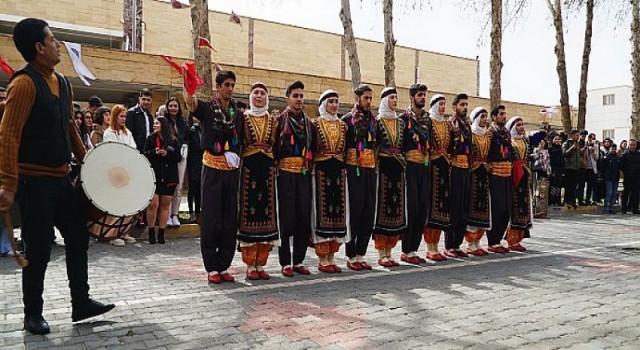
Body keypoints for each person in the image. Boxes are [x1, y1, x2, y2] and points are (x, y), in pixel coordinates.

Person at [0, 18, 114, 335]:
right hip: (33, 184)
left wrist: (88, 161)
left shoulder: (62, 82)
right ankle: (32, 314)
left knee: (78, 238)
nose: (58, 44)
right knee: (38, 250)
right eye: (52, 39)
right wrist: (8, 183)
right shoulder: (23, 84)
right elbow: (8, 136)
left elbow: (69, 128)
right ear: (39, 47)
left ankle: (81, 302)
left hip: (62, 180)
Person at [184, 70, 243, 284]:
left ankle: (224, 264)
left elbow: (241, 140)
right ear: (218, 87)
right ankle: (211, 267)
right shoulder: (208, 108)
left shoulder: (237, 113)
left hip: (231, 171)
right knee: (211, 218)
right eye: (226, 84)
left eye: (232, 85)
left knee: (229, 219)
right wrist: (188, 86)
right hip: (211, 169)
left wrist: (235, 156)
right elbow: (190, 103)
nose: (230, 88)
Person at [237, 82, 279, 280]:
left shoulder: (274, 120)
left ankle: (261, 263)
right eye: (256, 93)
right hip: (249, 170)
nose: (259, 96)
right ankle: (249, 265)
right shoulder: (243, 118)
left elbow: (277, 146)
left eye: (263, 93)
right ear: (250, 96)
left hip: (268, 171)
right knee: (249, 213)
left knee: (267, 213)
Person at [275, 81, 315, 277]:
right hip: (285, 174)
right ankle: (285, 262)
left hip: (303, 174)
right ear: (287, 98)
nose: (299, 99)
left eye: (301, 96)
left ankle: (298, 260)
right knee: (286, 218)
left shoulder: (309, 124)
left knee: (303, 218)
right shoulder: (279, 121)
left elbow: (313, 149)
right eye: (295, 96)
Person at [312, 89, 348, 273]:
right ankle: (322, 258)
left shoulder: (343, 126)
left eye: (336, 101)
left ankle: (332, 256)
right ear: (323, 104)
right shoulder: (315, 124)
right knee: (322, 212)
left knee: (338, 214)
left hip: (339, 171)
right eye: (330, 102)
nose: (334, 105)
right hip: (322, 170)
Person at [341, 84, 376, 271]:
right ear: (357, 99)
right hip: (353, 170)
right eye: (366, 98)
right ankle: (351, 254)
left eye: (371, 98)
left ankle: (361, 254)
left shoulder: (374, 121)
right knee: (354, 211)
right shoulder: (347, 121)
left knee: (368, 211)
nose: (369, 102)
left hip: (370, 169)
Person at [372, 87, 406, 267]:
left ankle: (390, 251)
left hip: (398, 168)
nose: (395, 101)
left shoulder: (401, 123)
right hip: (384, 167)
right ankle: (380, 251)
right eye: (392, 98)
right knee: (383, 208)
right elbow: (374, 144)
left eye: (396, 98)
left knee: (396, 209)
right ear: (385, 100)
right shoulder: (377, 121)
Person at [400, 84, 429, 265]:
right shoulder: (403, 119)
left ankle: (414, 249)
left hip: (424, 166)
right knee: (411, 207)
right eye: (420, 95)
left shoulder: (427, 121)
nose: (423, 98)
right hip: (409, 166)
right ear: (412, 97)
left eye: (424, 95)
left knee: (422, 207)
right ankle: (406, 249)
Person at [101, 104, 138, 246]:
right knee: (114, 204)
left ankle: (124, 231)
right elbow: (112, 151)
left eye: (125, 116)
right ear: (115, 117)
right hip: (114, 173)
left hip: (127, 172)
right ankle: (111, 234)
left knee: (126, 203)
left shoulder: (127, 133)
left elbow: (133, 149)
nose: (124, 119)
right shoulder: (109, 133)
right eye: (121, 116)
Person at [143, 116, 181, 245]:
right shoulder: (151, 139)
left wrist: (167, 154)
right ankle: (151, 232)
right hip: (154, 175)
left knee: (165, 205)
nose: (154, 125)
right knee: (153, 204)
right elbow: (144, 154)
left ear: (163, 125)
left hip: (169, 176)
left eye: (157, 123)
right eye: (153, 123)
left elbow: (178, 157)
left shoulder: (173, 140)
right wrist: (154, 152)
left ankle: (161, 233)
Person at [423, 94, 451, 262]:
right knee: (432, 207)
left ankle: (436, 245)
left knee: (442, 207)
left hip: (444, 167)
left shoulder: (447, 125)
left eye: (444, 104)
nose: (443, 107)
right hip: (432, 167)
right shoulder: (428, 122)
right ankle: (429, 246)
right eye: (440, 104)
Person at [444, 93, 471, 258]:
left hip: (466, 167)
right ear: (454, 107)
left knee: (464, 207)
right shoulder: (450, 124)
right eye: (462, 105)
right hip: (454, 167)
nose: (465, 108)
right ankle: (449, 244)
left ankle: (457, 244)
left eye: (466, 105)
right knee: (454, 207)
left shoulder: (467, 125)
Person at [486, 105, 513, 253]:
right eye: (501, 114)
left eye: (505, 113)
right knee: (497, 208)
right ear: (494, 117)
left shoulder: (507, 133)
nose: (504, 116)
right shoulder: (490, 133)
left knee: (506, 209)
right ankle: (492, 240)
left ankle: (498, 239)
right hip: (495, 174)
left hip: (506, 174)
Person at [465, 107, 491, 256]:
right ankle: (470, 241)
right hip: (473, 173)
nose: (484, 119)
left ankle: (478, 241)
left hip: (484, 172)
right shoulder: (470, 133)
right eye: (482, 116)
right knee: (473, 206)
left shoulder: (488, 135)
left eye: (486, 117)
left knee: (482, 207)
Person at [505, 116, 533, 251]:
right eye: (518, 125)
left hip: (524, 175)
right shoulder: (509, 142)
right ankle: (511, 238)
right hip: (513, 176)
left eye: (522, 124)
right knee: (515, 206)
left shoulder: (525, 141)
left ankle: (519, 237)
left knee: (524, 205)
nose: (522, 127)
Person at [165, 97, 189, 228]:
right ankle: (167, 215)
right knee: (169, 186)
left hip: (181, 156)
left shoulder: (183, 122)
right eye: (171, 106)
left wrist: (183, 147)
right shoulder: (164, 121)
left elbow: (186, 138)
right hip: (168, 156)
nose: (173, 108)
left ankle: (175, 214)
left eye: (175, 106)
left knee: (178, 187)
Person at [186, 113, 203, 224]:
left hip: (203, 162)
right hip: (193, 162)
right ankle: (191, 211)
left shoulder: (204, 130)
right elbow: (196, 146)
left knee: (199, 190)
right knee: (193, 188)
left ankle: (198, 212)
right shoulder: (192, 130)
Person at [126, 88, 153, 153]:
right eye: (143, 99)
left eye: (148, 100)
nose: (146, 102)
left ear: (151, 101)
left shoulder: (150, 116)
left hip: (147, 150)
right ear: (139, 99)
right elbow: (129, 132)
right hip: (135, 149)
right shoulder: (131, 113)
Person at [620, 139, 640, 214]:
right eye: (631, 145)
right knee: (626, 193)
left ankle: (635, 209)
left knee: (636, 194)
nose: (632, 146)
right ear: (629, 145)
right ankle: (624, 208)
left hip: (637, 177)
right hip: (628, 177)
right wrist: (626, 172)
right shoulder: (625, 155)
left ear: (636, 145)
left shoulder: (638, 155)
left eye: (633, 145)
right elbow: (621, 166)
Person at [562, 130, 581, 210]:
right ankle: (567, 201)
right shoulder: (567, 143)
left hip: (576, 167)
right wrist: (572, 147)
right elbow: (564, 154)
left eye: (578, 135)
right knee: (568, 185)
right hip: (569, 167)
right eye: (576, 135)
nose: (578, 137)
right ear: (572, 135)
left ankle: (572, 200)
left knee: (574, 186)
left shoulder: (578, 144)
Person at [532, 139, 551, 218]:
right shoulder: (536, 150)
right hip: (537, 172)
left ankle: (543, 212)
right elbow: (535, 158)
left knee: (544, 192)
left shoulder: (546, 152)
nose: (542, 144)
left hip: (545, 173)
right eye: (540, 143)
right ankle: (537, 211)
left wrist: (549, 172)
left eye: (543, 143)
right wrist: (539, 152)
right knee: (537, 192)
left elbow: (548, 162)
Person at [603, 144, 621, 214]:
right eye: (612, 149)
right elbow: (603, 168)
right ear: (610, 149)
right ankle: (606, 208)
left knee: (614, 194)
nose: (613, 150)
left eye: (614, 149)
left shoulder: (618, 158)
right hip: (608, 178)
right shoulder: (606, 157)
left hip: (615, 178)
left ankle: (611, 208)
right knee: (609, 193)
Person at [548, 135, 564, 206]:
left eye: (559, 139)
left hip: (560, 170)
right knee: (553, 185)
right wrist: (552, 171)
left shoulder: (560, 149)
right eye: (556, 139)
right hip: (553, 169)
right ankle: (552, 201)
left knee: (558, 185)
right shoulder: (550, 149)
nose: (558, 141)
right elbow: (550, 161)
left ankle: (557, 201)